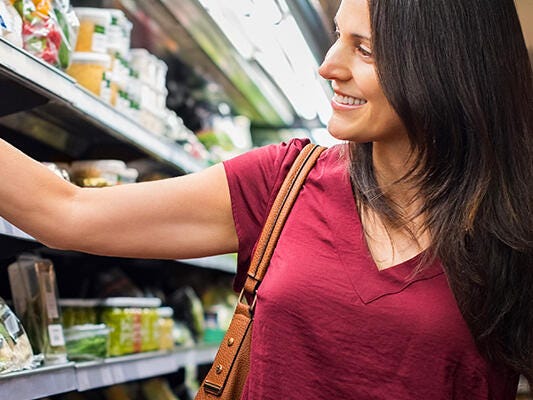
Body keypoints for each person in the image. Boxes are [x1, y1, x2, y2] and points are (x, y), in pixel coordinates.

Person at [0, 0, 531, 398]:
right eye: (336, 38)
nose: (329, 66)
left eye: (363, 49)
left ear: (445, 66)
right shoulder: (285, 182)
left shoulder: (514, 226)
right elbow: (65, 212)